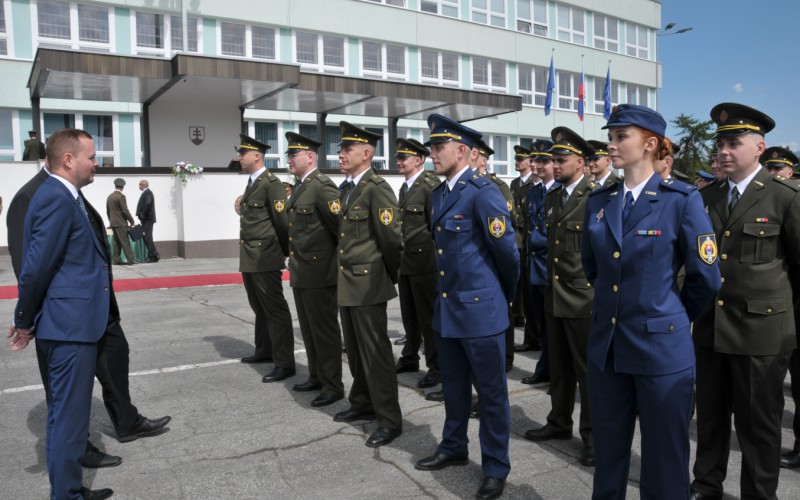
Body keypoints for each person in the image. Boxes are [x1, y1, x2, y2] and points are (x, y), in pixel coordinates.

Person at [581, 104, 721, 499]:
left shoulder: (681, 199)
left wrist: (668, 316)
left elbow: (706, 277)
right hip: (608, 349)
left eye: (620, 136)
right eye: (610, 137)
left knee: (664, 460)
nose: (611, 145)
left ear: (649, 144)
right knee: (608, 456)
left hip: (661, 350)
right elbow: (593, 268)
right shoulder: (599, 201)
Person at [691, 103, 800, 500]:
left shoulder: (785, 197)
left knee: (759, 426)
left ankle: (758, 494)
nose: (723, 151)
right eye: (720, 144)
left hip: (761, 334)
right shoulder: (705, 197)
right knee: (711, 418)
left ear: (759, 147)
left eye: (734, 143)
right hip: (711, 328)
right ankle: (706, 485)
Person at [413, 113, 518, 500]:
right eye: (431, 148)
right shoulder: (438, 194)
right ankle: (454, 446)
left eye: (438, 147)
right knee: (454, 387)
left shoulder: (483, 192)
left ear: (462, 151)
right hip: (449, 311)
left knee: (491, 396)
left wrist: (498, 299)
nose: (432, 154)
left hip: (480, 312)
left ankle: (495, 467)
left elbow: (507, 255)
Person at [8, 128, 114, 500]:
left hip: (70, 325)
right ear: (68, 160)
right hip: (70, 328)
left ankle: (66, 489)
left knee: (64, 416)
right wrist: (24, 319)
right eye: (91, 156)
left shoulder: (64, 195)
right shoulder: (55, 197)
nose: (96, 163)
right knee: (69, 419)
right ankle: (66, 495)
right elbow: (36, 268)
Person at [524, 127, 597, 467]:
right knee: (559, 367)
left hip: (583, 300)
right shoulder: (553, 197)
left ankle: (594, 438)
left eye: (561, 160)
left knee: (588, 373)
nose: (554, 166)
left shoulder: (595, 197)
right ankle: (559, 422)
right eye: (552, 160)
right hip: (555, 296)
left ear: (580, 162)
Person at [333, 121, 403, 448]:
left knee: (376, 354)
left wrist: (385, 276)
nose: (340, 154)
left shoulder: (377, 188)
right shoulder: (347, 188)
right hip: (348, 283)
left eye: (347, 149)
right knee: (356, 350)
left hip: (369, 284)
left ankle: (389, 419)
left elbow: (392, 241)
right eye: (341, 149)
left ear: (366, 153)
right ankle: (362, 402)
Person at [284, 131, 344, 407]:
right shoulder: (300, 187)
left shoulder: (322, 186)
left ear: (310, 157)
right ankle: (317, 376)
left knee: (325, 332)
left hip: (321, 275)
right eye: (288, 154)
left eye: (293, 154)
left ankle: (333, 385)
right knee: (309, 330)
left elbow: (340, 231)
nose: (288, 159)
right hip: (302, 273)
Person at [236, 134, 295, 383]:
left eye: (243, 154)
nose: (239, 158)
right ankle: (264, 350)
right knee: (259, 307)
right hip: (251, 256)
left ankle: (284, 363)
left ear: (257, 156)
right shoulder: (253, 183)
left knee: (274, 309)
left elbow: (282, 222)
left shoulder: (271, 183)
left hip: (266, 255)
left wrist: (284, 252)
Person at [759, 146, 800, 470]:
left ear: (790, 171)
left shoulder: (792, 200)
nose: (774, 174)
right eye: (769, 168)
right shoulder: (769, 200)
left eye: (779, 169)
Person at [393, 138, 442, 391]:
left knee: (428, 319)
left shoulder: (429, 186)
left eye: (404, 158)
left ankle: (436, 367)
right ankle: (410, 357)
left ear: (419, 160)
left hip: (424, 263)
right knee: (409, 316)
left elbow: (436, 229)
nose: (399, 162)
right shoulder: (406, 187)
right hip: (406, 262)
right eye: (398, 157)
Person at [521, 139, 557, 386]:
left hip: (551, 268)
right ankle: (546, 367)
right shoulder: (533, 193)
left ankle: (555, 371)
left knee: (553, 325)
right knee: (541, 323)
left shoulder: (561, 192)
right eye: (536, 160)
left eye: (544, 161)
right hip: (534, 268)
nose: (538, 165)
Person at [511, 145, 540, 354]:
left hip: (529, 239)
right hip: (520, 238)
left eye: (521, 159)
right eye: (516, 159)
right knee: (522, 285)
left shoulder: (535, 184)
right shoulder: (516, 184)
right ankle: (529, 332)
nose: (517, 162)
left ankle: (534, 335)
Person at [106, 178, 136, 265]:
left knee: (116, 242)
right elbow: (124, 210)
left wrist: (111, 221)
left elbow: (108, 211)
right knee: (125, 242)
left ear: (115, 186)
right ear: (122, 187)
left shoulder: (110, 196)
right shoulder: (121, 196)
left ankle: (116, 260)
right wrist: (132, 221)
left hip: (113, 223)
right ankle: (131, 259)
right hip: (121, 223)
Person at [136, 180, 160, 262]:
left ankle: (152, 256)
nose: (139, 186)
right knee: (147, 237)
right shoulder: (146, 193)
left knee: (147, 237)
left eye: (139, 184)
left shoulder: (148, 193)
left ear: (143, 185)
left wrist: (143, 213)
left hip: (147, 218)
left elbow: (148, 203)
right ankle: (155, 255)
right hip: (146, 218)